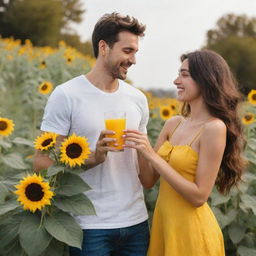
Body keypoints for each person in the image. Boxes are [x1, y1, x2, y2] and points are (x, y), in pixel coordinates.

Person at [33, 12, 150, 256]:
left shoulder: (137, 99)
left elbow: (146, 176)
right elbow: (41, 163)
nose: (134, 60)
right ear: (104, 47)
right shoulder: (66, 95)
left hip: (136, 224)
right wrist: (92, 158)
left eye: (136, 52)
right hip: (89, 227)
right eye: (128, 51)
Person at [124, 49, 246, 255]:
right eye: (178, 73)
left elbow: (199, 196)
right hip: (165, 228)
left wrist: (153, 156)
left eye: (184, 75)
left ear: (206, 80)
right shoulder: (173, 124)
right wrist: (136, 145)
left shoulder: (214, 128)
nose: (176, 81)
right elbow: (147, 181)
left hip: (192, 235)